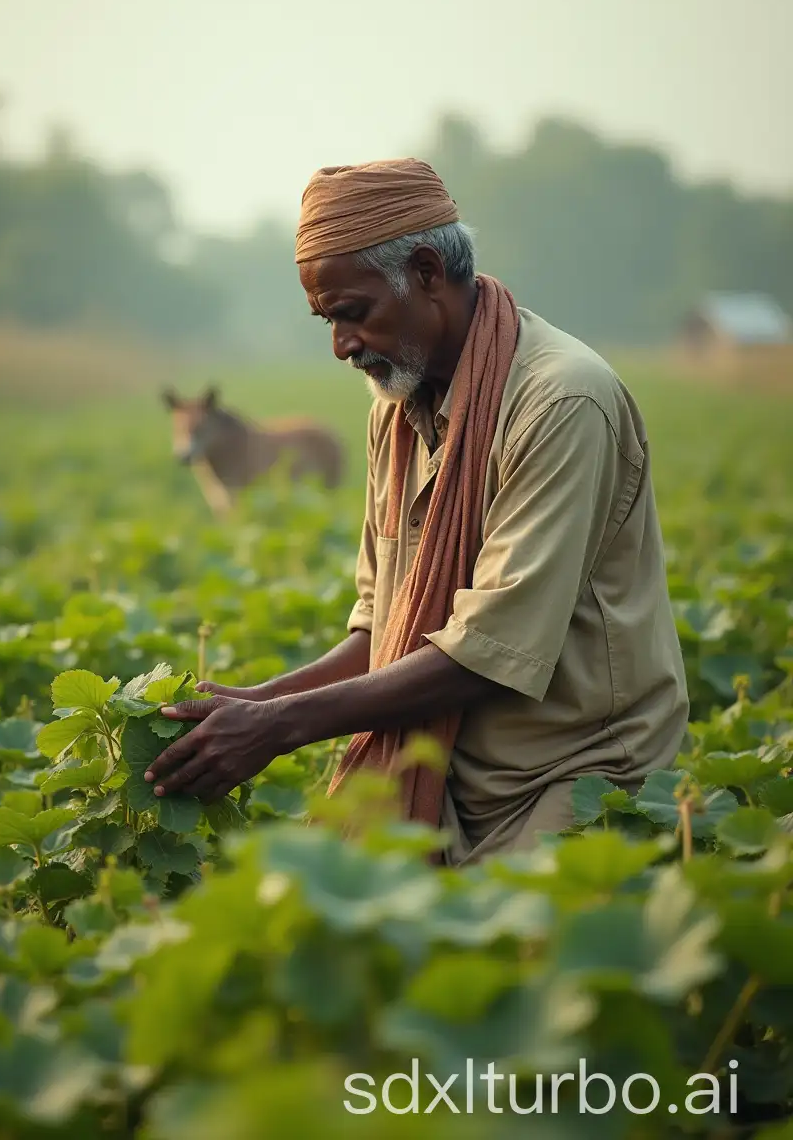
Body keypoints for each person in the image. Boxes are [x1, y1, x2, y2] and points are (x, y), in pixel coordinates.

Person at [144, 158, 689, 866]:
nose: (340, 345)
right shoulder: (396, 410)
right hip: (445, 761)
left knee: (514, 961)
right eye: (326, 320)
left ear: (428, 272)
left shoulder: (562, 403)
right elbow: (385, 628)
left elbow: (489, 654)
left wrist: (277, 726)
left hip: (575, 770)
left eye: (352, 312)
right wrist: (248, 704)